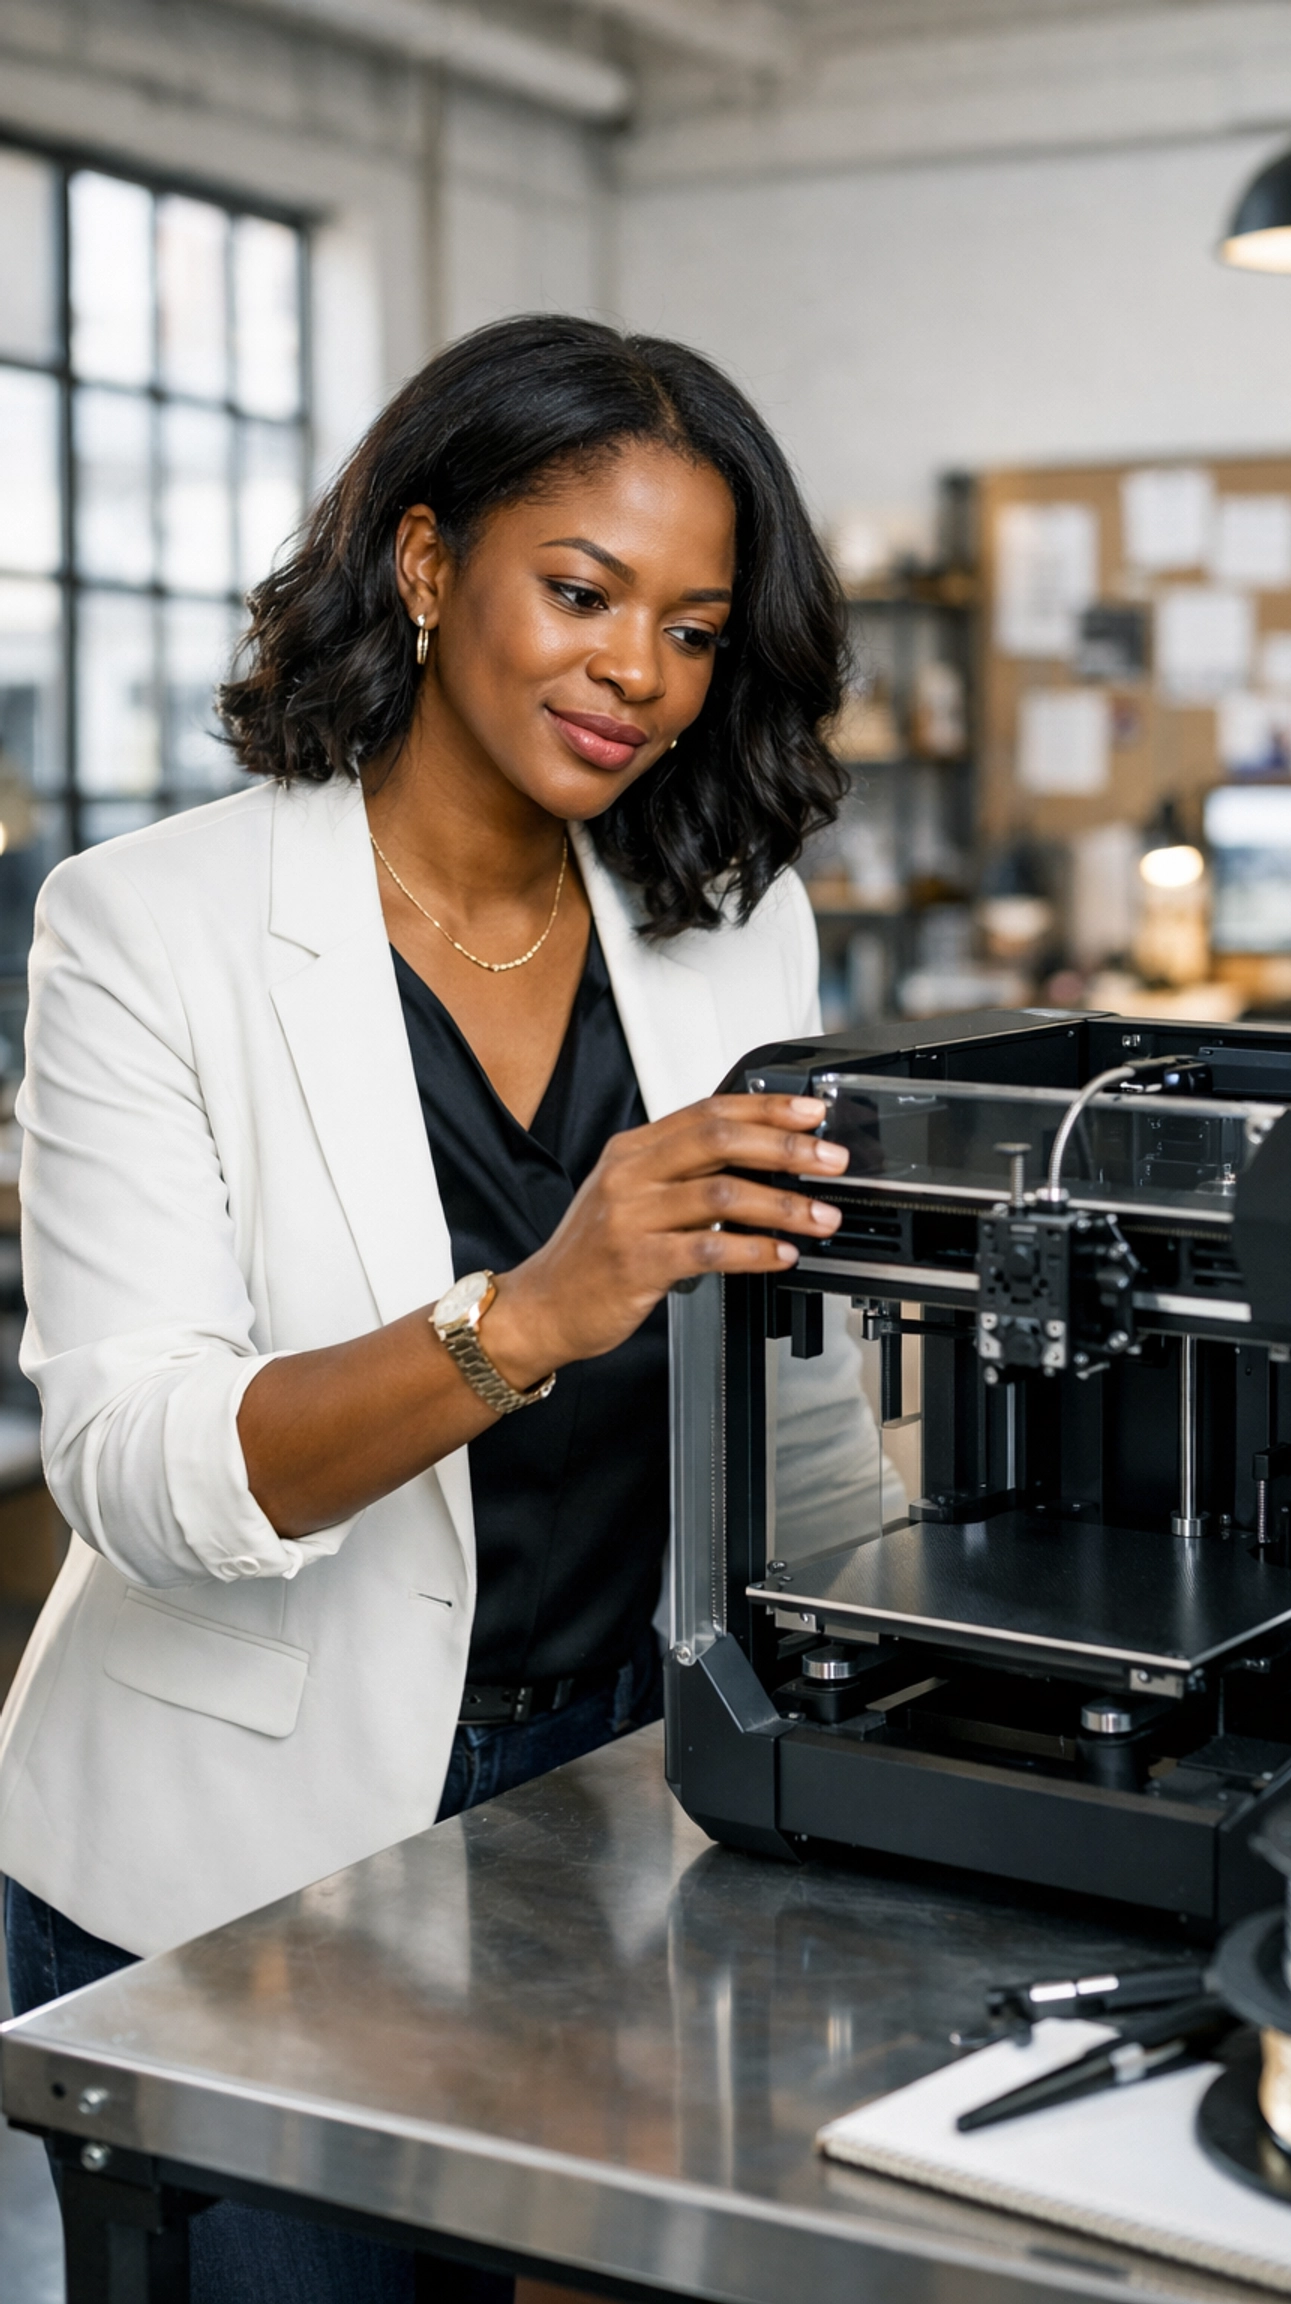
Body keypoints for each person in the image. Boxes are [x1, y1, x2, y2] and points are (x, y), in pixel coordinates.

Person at [0, 315, 874, 2301]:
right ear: (424, 562)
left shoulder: (735, 929)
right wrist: (530, 1315)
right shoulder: (148, 926)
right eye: (582, 592)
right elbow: (131, 1467)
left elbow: (798, 1411)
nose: (639, 671)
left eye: (693, 629)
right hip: (243, 1867)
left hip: (624, 1812)